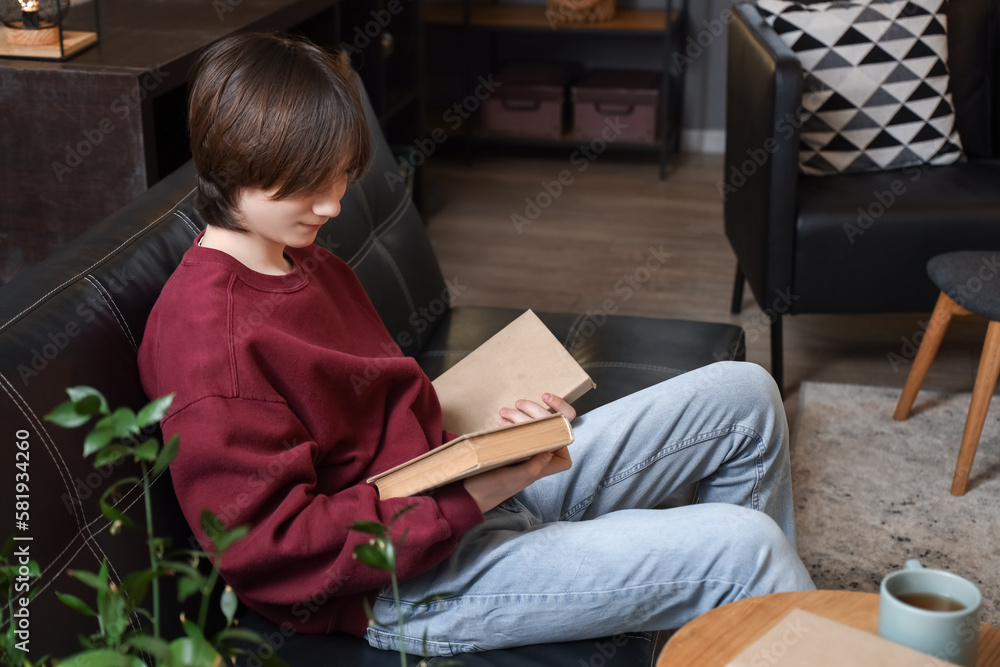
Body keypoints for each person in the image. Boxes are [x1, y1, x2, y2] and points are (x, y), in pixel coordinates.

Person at [138, 31, 814, 657]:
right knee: (742, 545)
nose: (335, 204)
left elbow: (375, 421)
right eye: (311, 183)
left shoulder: (298, 255)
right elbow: (274, 548)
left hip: (459, 492)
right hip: (405, 585)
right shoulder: (211, 345)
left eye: (341, 175)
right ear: (238, 164)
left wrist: (497, 436)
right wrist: (480, 489)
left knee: (746, 400)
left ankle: (726, 638)